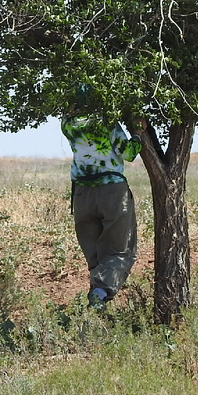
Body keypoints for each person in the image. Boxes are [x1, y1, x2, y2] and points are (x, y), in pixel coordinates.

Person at [61, 82, 142, 308]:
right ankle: (100, 293)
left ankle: (97, 304)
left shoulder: (67, 123)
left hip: (82, 193)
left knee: (94, 252)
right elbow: (128, 153)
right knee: (120, 250)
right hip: (111, 190)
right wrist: (137, 134)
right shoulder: (105, 122)